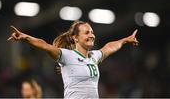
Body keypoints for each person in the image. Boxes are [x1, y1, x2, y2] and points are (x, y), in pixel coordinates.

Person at [8, 21, 138, 98]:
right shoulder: (67, 56)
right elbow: (45, 46)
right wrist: (25, 37)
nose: (91, 35)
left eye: (92, 32)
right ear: (75, 38)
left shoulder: (94, 56)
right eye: (87, 33)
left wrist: (125, 40)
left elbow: (109, 47)